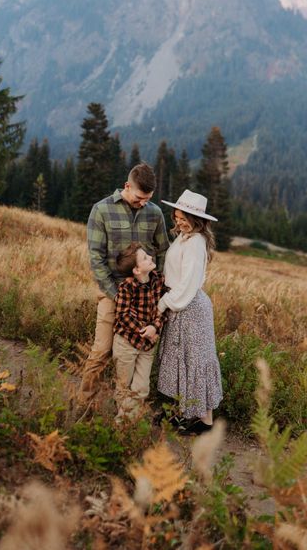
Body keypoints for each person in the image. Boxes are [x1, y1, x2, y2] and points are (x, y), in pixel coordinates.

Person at [79, 163, 169, 402]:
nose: (143, 202)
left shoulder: (155, 214)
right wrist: (117, 294)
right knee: (101, 351)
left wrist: (156, 290)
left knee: (141, 352)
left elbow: (162, 253)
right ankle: (83, 408)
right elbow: (96, 259)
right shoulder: (101, 210)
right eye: (140, 197)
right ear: (127, 186)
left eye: (148, 198)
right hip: (113, 293)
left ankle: (128, 411)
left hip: (145, 297)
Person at [156, 189, 223, 435]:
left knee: (196, 362)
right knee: (182, 360)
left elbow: (187, 284)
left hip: (188, 306)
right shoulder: (185, 237)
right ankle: (181, 415)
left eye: (183, 218)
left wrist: (164, 302)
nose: (179, 222)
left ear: (197, 220)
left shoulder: (195, 242)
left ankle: (203, 423)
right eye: (176, 217)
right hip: (180, 304)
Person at [112, 242, 167, 420]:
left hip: (147, 344)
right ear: (136, 270)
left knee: (142, 388)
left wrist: (155, 327)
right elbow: (122, 314)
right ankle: (122, 422)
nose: (151, 257)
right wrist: (144, 329)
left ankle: (124, 423)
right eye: (145, 258)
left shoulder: (158, 280)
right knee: (123, 385)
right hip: (126, 342)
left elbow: (161, 309)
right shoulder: (127, 287)